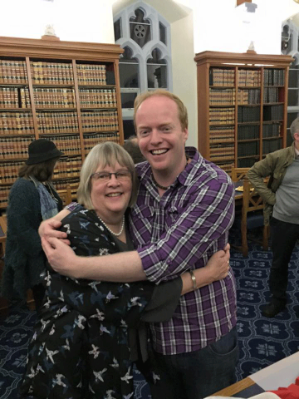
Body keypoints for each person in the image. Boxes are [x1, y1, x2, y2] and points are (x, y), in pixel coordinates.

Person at [40, 89, 237, 399]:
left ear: (184, 130)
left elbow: (163, 260)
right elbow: (99, 195)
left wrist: (75, 265)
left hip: (202, 336)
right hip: (151, 338)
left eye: (165, 128)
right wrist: (54, 220)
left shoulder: (213, 185)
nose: (154, 139)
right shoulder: (138, 177)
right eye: (145, 131)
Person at [1, 139, 63, 311]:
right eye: (54, 162)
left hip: (47, 252)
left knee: (49, 300)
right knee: (41, 300)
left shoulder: (45, 185)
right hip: (31, 257)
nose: (55, 166)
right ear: (45, 164)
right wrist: (46, 246)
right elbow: (19, 229)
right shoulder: (22, 188)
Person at [247, 117, 299, 318]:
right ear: (296, 136)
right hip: (283, 221)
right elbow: (253, 173)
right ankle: (278, 300)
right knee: (280, 263)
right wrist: (270, 197)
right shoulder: (280, 157)